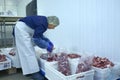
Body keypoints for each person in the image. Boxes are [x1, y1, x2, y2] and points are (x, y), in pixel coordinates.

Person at [12, 15, 59, 80]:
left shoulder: (44, 21)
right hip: (21, 30)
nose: (54, 28)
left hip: (21, 28)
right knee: (28, 52)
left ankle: (29, 71)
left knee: (27, 52)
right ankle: (35, 74)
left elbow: (39, 35)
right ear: (51, 23)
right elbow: (36, 39)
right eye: (54, 26)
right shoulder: (43, 24)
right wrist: (46, 46)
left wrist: (48, 41)